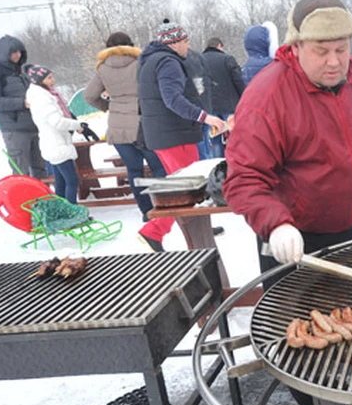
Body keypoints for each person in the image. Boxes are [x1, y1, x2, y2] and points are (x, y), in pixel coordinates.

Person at [224, 0, 352, 405]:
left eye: (341, 49)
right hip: (294, 241)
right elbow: (244, 180)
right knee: (305, 339)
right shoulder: (267, 96)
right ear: (295, 47)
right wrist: (276, 224)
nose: (334, 61)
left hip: (349, 228)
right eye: (321, 51)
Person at [136, 19, 227, 252]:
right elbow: (172, 99)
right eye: (185, 41)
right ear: (174, 43)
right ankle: (182, 236)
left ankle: (157, 232)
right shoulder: (169, 62)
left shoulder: (150, 60)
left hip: (163, 134)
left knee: (178, 190)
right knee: (189, 191)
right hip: (175, 135)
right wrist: (204, 117)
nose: (188, 46)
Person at [84, 32, 166, 220]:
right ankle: (164, 203)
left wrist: (108, 106)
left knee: (134, 170)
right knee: (158, 166)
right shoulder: (140, 63)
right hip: (143, 123)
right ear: (130, 45)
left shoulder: (102, 68)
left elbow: (89, 96)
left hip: (118, 126)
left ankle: (146, 211)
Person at [0, 35, 46, 178]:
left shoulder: (24, 71)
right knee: (21, 171)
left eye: (19, 52)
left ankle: (44, 199)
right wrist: (22, 103)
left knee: (41, 170)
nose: (17, 55)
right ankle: (26, 199)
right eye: (13, 52)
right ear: (5, 53)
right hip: (14, 128)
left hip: (35, 125)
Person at [24, 65, 81, 204]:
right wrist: (77, 124)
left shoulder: (42, 94)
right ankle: (72, 212)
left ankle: (62, 211)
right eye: (49, 78)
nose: (53, 80)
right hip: (57, 144)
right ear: (39, 80)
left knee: (60, 182)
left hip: (53, 143)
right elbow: (57, 122)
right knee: (72, 181)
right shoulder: (42, 97)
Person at [200, 37, 246, 158]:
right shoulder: (227, 59)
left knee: (214, 138)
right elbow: (239, 80)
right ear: (220, 46)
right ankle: (235, 161)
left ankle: (217, 164)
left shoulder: (199, 60)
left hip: (210, 107)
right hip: (229, 105)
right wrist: (244, 97)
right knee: (234, 135)